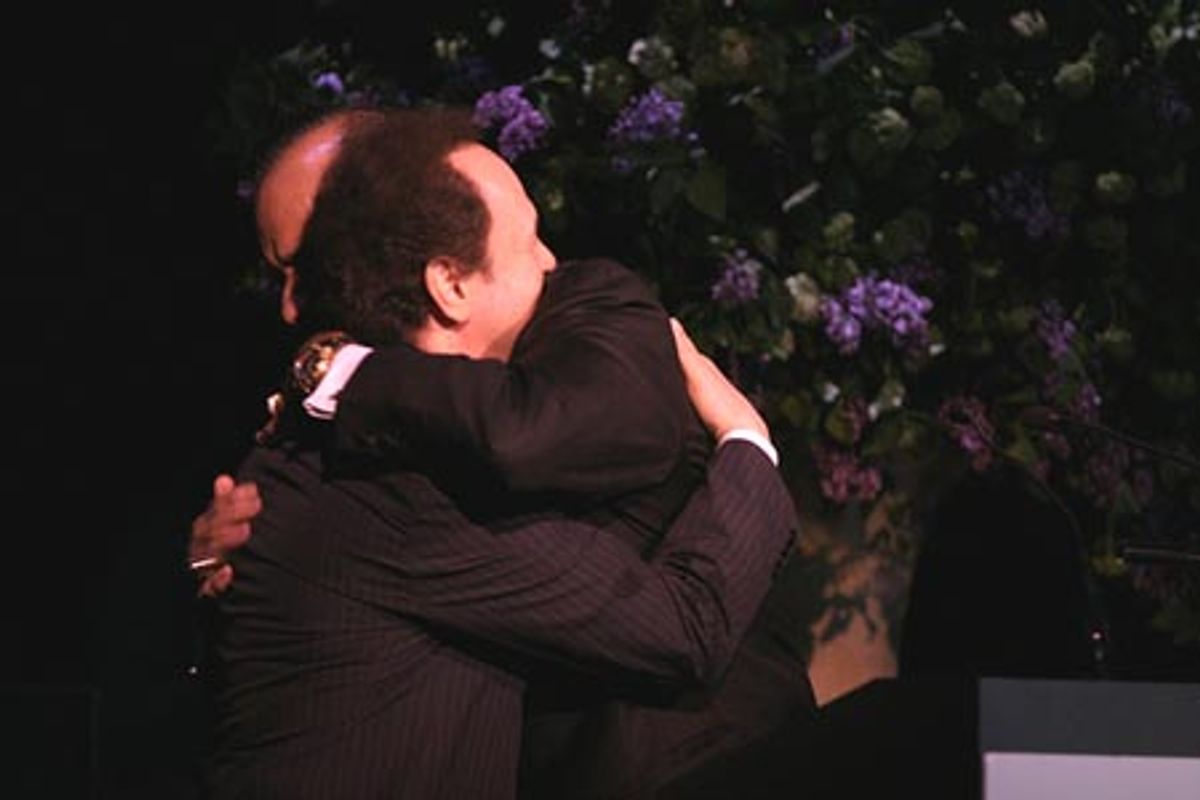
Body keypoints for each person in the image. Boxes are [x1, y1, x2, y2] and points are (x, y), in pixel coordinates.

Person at [195, 107, 802, 800]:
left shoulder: (573, 334)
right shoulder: (386, 475)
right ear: (448, 283)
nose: (551, 263)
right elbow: (682, 629)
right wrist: (748, 441)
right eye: (531, 242)